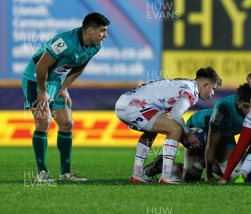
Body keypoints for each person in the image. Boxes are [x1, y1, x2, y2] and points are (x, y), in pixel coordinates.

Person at [22, 12, 109, 182]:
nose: (105, 35)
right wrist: (42, 91)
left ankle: (65, 173)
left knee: (67, 123)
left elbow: (79, 67)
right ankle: (42, 173)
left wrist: (64, 88)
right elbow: (41, 66)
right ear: (90, 30)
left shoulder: (95, 46)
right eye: (102, 31)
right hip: (35, 78)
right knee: (44, 122)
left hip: (54, 81)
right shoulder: (65, 43)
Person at [115, 67, 221, 184]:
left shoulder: (185, 83)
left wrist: (184, 135)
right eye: (213, 89)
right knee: (175, 128)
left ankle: (137, 174)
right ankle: (166, 175)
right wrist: (187, 133)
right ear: (205, 85)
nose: (213, 94)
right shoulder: (191, 91)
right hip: (135, 106)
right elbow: (175, 114)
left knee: (152, 130)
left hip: (122, 104)